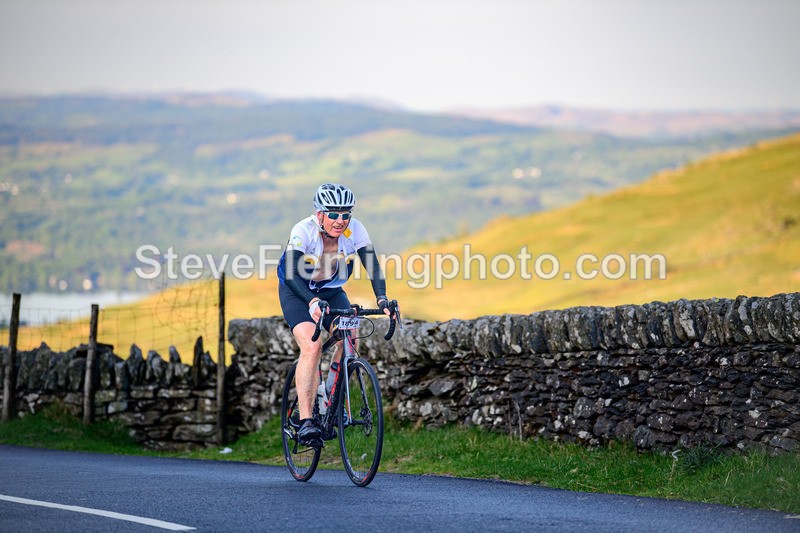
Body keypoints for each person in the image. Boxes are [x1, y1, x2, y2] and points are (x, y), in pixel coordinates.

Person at [277, 183, 397, 444]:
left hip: (331, 290)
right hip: (297, 291)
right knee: (312, 344)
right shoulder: (303, 231)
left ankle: (330, 396)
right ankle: (307, 420)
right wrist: (311, 302)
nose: (340, 221)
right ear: (319, 214)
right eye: (333, 214)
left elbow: (372, 265)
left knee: (350, 335)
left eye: (345, 214)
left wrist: (382, 298)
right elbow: (290, 274)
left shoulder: (355, 230)